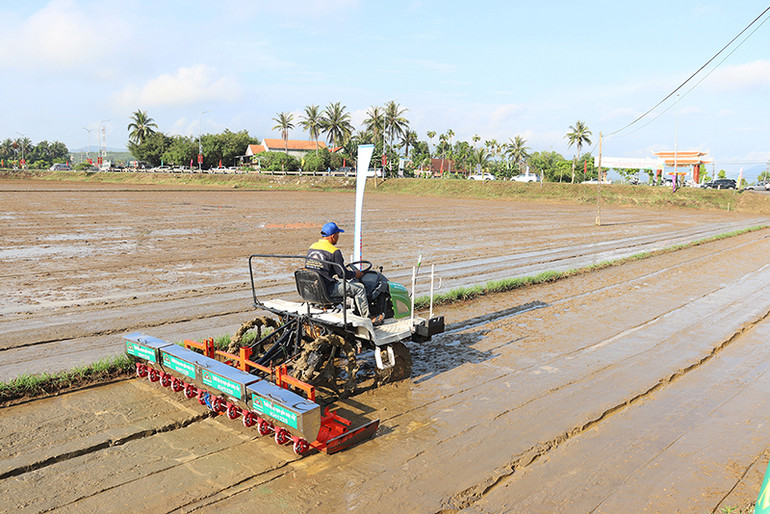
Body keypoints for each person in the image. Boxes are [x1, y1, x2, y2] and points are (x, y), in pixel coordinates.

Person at [306, 222, 384, 325]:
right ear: (333, 236)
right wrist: (355, 274)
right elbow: (342, 274)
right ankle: (368, 318)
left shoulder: (312, 247)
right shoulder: (334, 251)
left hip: (311, 287)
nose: (338, 237)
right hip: (326, 289)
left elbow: (322, 268)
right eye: (338, 234)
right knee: (359, 288)